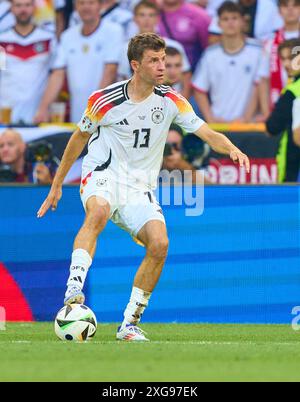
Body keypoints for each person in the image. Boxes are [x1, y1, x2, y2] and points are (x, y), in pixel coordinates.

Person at [37, 33, 250, 342]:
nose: (162, 66)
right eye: (154, 60)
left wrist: (231, 148)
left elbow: (206, 132)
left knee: (160, 244)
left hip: (139, 187)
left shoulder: (171, 100)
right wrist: (56, 186)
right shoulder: (103, 100)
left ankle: (129, 324)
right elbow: (77, 140)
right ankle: (74, 288)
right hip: (102, 173)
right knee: (97, 212)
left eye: (163, 59)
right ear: (136, 65)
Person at [35, 0, 123, 124]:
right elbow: (57, 74)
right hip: (78, 115)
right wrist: (43, 108)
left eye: (90, 3)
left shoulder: (114, 31)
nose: (86, 7)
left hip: (105, 112)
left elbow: (110, 71)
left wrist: (95, 107)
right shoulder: (67, 36)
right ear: (76, 7)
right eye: (81, 3)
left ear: (100, 5)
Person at [192, 1, 263, 123]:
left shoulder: (258, 51)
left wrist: (246, 118)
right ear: (219, 23)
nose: (230, 22)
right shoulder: (210, 54)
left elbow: (261, 85)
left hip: (249, 125)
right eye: (225, 19)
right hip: (219, 125)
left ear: (243, 21)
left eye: (234, 18)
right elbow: (199, 89)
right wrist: (210, 119)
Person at [118, 1, 191, 98]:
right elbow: (125, 78)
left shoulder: (174, 45)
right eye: (142, 15)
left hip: (171, 101)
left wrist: (181, 105)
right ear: (135, 19)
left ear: (157, 19)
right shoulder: (125, 48)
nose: (147, 19)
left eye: (151, 15)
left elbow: (185, 78)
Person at [0, 0, 56, 124]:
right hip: (5, 114)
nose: (23, 10)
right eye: (18, 5)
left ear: (34, 7)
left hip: (37, 115)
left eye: (27, 5)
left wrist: (44, 108)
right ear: (12, 9)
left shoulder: (48, 38)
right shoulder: (2, 40)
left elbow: (56, 75)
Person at [266, 39, 300, 182]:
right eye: (283, 59)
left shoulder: (292, 92)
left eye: (291, 58)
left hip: (293, 163)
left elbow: (271, 127)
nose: (286, 64)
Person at [258, 0, 300, 116]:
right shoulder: (270, 41)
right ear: (279, 10)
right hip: (279, 109)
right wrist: (267, 114)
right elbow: (263, 80)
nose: (290, 9)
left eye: (295, 5)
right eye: (285, 5)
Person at [158, 0, 211, 71]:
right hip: (157, 75)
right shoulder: (149, 13)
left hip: (192, 74)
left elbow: (209, 50)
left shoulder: (199, 15)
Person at [208, 0, 283, 44]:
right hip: (230, 53)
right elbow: (213, 38)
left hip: (262, 53)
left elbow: (279, 36)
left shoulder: (269, 6)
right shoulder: (226, 5)